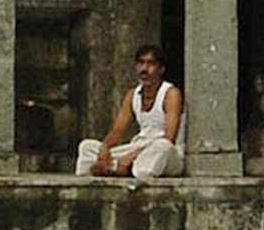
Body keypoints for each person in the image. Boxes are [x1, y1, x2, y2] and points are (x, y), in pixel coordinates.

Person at [75, 45, 184, 182]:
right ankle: (118, 168)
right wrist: (105, 148)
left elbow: (170, 138)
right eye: (141, 63)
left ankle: (123, 169)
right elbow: (117, 130)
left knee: (162, 147)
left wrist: (132, 156)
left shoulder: (171, 93)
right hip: (138, 147)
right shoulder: (133, 95)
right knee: (87, 147)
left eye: (150, 64)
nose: (144, 69)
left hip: (165, 154)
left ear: (161, 69)